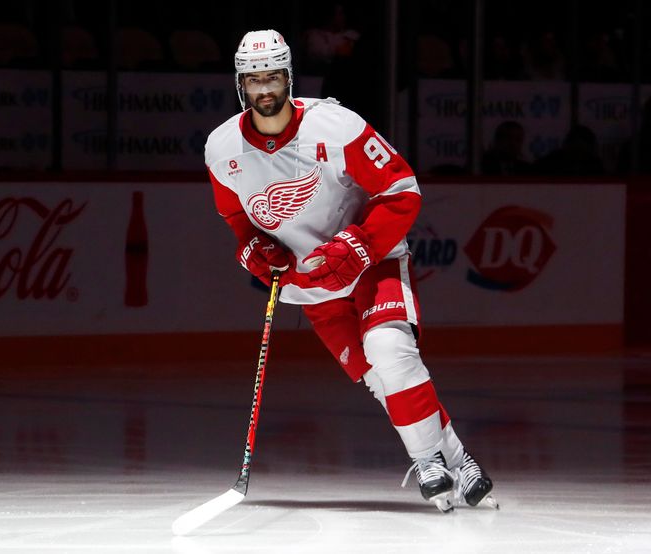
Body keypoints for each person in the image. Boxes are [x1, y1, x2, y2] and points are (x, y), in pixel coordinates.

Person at [205, 29, 498, 512]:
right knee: (381, 379)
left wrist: (359, 245)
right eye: (253, 79)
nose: (264, 90)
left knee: (391, 350)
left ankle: (428, 460)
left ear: (289, 78)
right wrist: (254, 249)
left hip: (375, 262)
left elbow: (402, 188)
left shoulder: (335, 126)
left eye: (273, 77)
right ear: (240, 84)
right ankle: (460, 460)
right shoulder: (221, 148)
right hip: (312, 287)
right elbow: (237, 219)